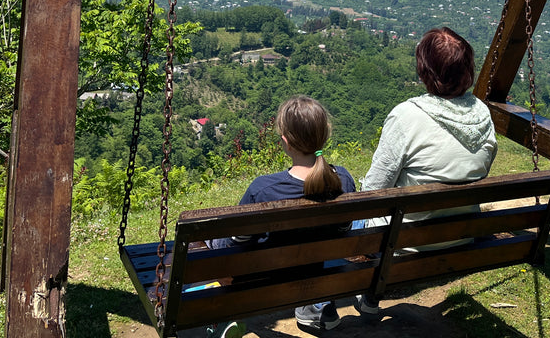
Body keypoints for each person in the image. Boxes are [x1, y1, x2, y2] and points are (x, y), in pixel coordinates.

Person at [358, 26, 498, 313]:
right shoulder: (483, 114)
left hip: (404, 243)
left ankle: (369, 294)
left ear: (424, 71)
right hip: (461, 234)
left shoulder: (407, 116)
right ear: (467, 70)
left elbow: (374, 189)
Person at [212, 95, 355, 335]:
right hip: (316, 265)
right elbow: (344, 229)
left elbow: (236, 243)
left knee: (214, 242)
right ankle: (314, 306)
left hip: (265, 275)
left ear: (285, 142)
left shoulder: (263, 189)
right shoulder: (344, 179)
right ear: (325, 135)